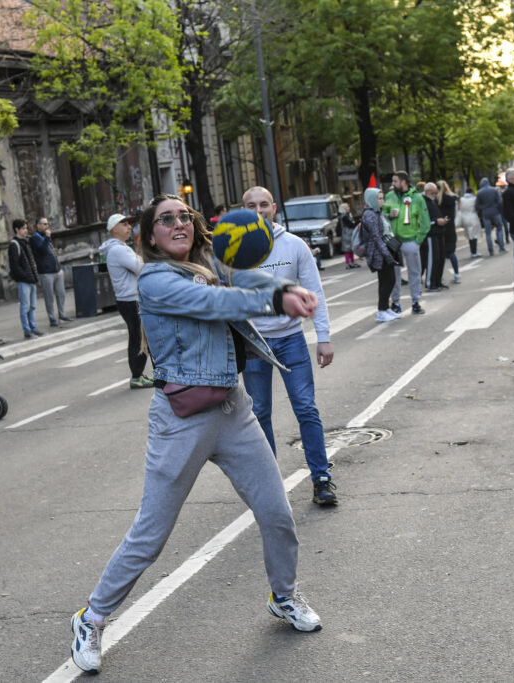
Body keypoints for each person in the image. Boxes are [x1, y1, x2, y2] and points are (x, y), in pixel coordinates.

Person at [68, 194, 323, 674]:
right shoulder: (155, 279)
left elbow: (244, 279)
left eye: (183, 216)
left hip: (233, 409)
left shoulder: (209, 259)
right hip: (181, 420)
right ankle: (92, 617)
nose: (178, 223)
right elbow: (212, 302)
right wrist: (275, 299)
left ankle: (284, 595)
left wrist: (281, 285)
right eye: (166, 219)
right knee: (151, 534)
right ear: (150, 236)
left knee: (277, 513)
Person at [243, 185, 337, 505]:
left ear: (274, 208)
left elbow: (314, 292)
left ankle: (321, 478)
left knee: (306, 408)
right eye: (251, 206)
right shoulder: (235, 251)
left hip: (291, 340)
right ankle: (271, 487)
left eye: (264, 205)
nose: (258, 211)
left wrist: (323, 337)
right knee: (259, 414)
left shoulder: (294, 245)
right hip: (254, 344)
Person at [98, 213, 152, 388]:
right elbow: (140, 267)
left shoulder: (120, 247)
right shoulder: (118, 250)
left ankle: (139, 374)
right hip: (130, 299)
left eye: (129, 224)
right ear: (115, 229)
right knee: (138, 337)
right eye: (124, 224)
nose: (129, 227)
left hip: (128, 298)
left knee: (138, 336)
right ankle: (137, 376)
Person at [385, 171, 427, 314]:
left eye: (395, 181)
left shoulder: (417, 198)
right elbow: (383, 213)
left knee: (414, 272)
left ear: (403, 182)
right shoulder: (390, 196)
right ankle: (395, 303)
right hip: (393, 241)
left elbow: (425, 220)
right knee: (394, 274)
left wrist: (418, 240)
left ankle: (415, 301)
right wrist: (389, 215)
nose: (393, 184)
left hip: (410, 240)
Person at [361, 187, 400, 322]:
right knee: (388, 280)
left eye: (382, 198)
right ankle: (381, 311)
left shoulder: (378, 212)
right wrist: (387, 254)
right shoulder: (369, 215)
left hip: (384, 250)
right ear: (372, 199)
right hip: (378, 253)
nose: (382, 201)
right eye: (379, 198)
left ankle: (385, 308)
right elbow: (376, 236)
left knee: (387, 280)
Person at [30, 216, 73, 328]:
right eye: (44, 224)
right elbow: (42, 250)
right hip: (46, 272)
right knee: (49, 297)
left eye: (47, 224)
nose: (47, 226)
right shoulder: (34, 238)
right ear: (38, 226)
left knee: (61, 293)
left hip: (57, 270)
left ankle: (62, 314)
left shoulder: (45, 237)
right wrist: (48, 237)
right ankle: (52, 318)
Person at [8, 217, 43, 339]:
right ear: (16, 229)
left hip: (31, 279)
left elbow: (30, 260)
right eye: (23, 228)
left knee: (32, 306)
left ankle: (33, 328)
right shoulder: (14, 245)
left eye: (26, 228)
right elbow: (14, 265)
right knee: (25, 307)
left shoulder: (26, 242)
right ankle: (27, 331)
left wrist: (34, 276)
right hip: (24, 280)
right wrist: (24, 276)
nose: (26, 230)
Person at [421, 182, 448, 292]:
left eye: (436, 192)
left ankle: (438, 281)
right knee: (432, 260)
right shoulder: (423, 202)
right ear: (427, 191)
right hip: (431, 234)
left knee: (441, 259)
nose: (435, 194)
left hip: (439, 233)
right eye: (433, 192)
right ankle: (430, 283)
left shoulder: (432, 201)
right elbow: (423, 220)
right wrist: (436, 221)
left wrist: (442, 220)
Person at [475, 177, 506, 255]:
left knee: (488, 233)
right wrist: (498, 210)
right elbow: (500, 201)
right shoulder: (494, 190)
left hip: (485, 214)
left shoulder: (479, 192)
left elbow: (477, 205)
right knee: (499, 229)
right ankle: (501, 247)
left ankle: (491, 250)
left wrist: (483, 209)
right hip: (495, 212)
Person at [437, 180, 460, 284]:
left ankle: (439, 277)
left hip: (439, 228)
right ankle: (457, 274)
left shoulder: (436, 200)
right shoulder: (452, 199)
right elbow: (455, 213)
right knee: (451, 253)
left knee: (439, 255)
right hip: (450, 228)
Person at [458, 186, 481, 259]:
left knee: (469, 236)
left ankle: (472, 252)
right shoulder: (474, 199)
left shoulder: (462, 199)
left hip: (465, 219)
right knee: (474, 236)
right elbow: (477, 208)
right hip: (473, 218)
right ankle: (474, 252)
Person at [338, 202, 359, 269]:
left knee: (350, 249)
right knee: (347, 250)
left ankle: (352, 262)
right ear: (344, 208)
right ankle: (348, 263)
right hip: (347, 235)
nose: (349, 208)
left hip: (349, 234)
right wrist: (356, 222)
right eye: (347, 207)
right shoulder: (344, 217)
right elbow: (350, 225)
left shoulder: (347, 215)